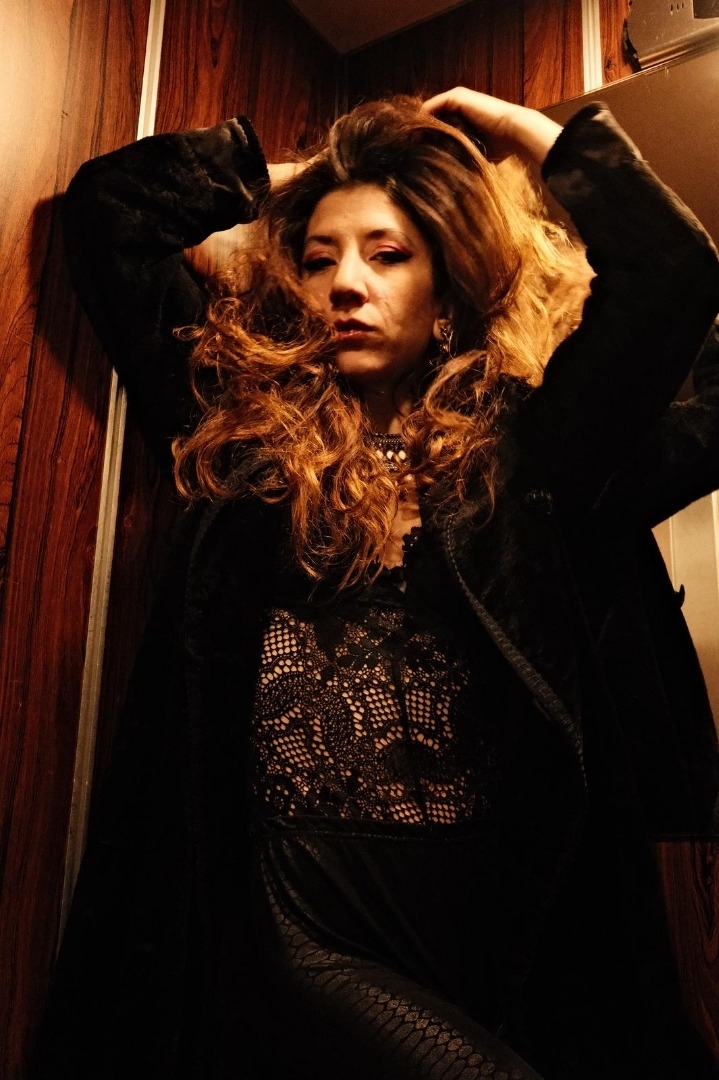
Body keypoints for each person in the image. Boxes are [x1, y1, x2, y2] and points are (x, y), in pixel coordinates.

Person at [33, 88, 719, 1079]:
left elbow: (671, 271)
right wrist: (313, 178)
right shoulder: (243, 430)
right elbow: (114, 213)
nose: (345, 283)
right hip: (297, 914)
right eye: (318, 259)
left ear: (445, 293)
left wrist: (519, 137)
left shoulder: (524, 456)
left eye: (387, 254)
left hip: (489, 919)